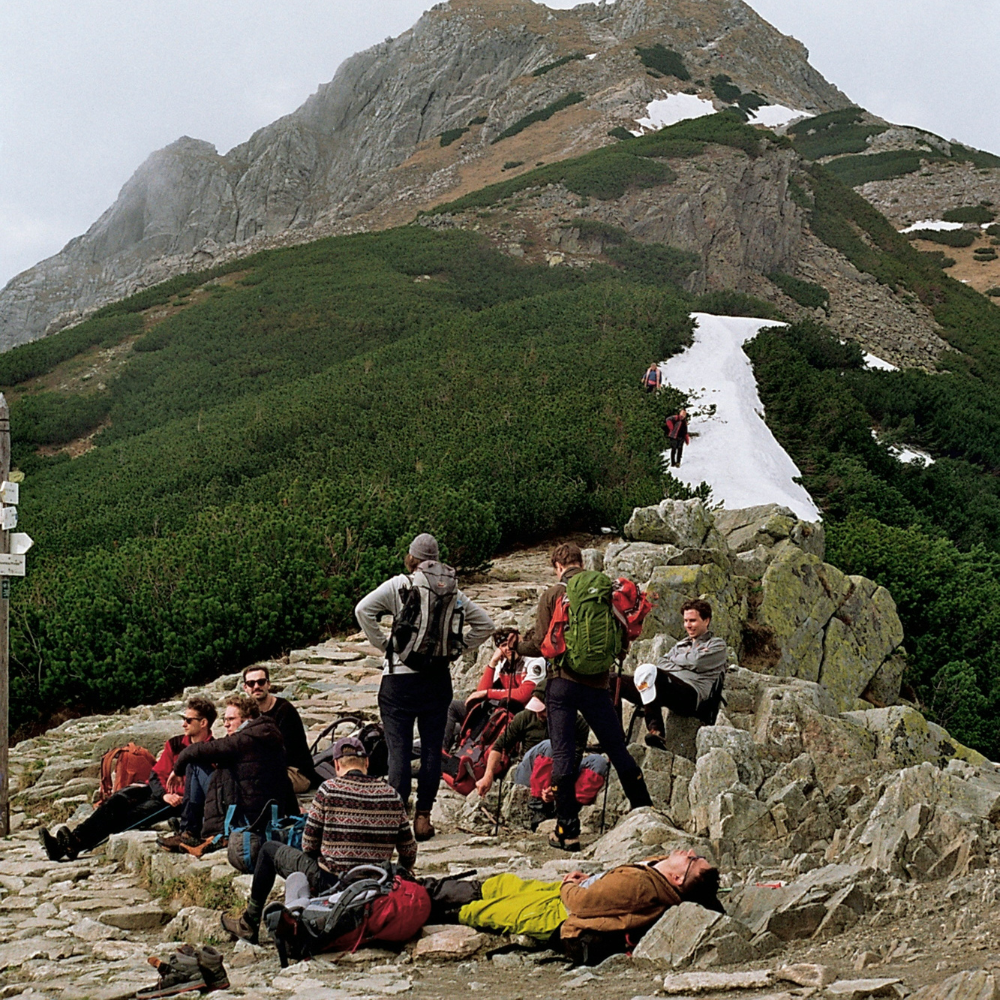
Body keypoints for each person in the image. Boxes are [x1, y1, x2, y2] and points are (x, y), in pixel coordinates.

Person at [355, 532, 494, 842]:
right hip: (437, 679)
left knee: (399, 752)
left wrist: (385, 646)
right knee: (432, 751)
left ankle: (396, 821)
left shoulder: (399, 585)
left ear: (411, 557)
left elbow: (362, 611)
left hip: (399, 682)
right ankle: (423, 819)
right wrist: (457, 650)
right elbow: (486, 625)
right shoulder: (453, 591)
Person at [516, 543, 651, 852]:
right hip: (598, 684)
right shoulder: (604, 590)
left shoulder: (553, 594)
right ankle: (644, 808)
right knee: (616, 747)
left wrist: (517, 646)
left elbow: (539, 643)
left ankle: (567, 830)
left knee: (563, 752)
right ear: (581, 562)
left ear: (558, 566)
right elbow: (623, 638)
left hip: (562, 684)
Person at [220, 736, 417, 943]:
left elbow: (308, 845)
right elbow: (409, 851)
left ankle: (249, 922)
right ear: (366, 763)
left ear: (336, 764)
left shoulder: (328, 790)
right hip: (376, 884)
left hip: (333, 881)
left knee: (269, 849)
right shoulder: (391, 795)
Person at [457, 848, 722, 963]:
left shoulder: (644, 886)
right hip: (567, 897)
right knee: (502, 884)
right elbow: (610, 887)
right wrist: (590, 879)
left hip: (560, 913)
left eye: (693, 859)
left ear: (677, 879)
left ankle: (434, 908)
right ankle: (433, 892)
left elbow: (582, 904)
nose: (689, 852)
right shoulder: (658, 870)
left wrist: (567, 886)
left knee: (485, 910)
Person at [38, 697, 217, 862]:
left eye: (188, 720)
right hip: (162, 793)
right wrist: (163, 794)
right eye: (183, 719)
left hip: (180, 802)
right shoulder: (175, 743)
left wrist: (173, 797)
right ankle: (73, 838)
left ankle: (72, 845)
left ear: (203, 723)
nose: (183, 724)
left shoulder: (213, 750)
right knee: (117, 800)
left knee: (131, 816)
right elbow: (156, 774)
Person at [166, 694, 298, 845]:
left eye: (231, 719)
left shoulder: (243, 739)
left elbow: (193, 750)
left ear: (247, 718)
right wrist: (293, 814)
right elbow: (284, 781)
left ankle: (189, 831)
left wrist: (177, 770)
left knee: (194, 765)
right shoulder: (269, 736)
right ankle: (191, 828)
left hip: (244, 816)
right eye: (225, 720)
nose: (226, 725)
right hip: (260, 813)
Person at [475, 692, 604, 831]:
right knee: (550, 746)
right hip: (529, 772)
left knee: (598, 762)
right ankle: (539, 807)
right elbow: (499, 747)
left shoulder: (577, 722)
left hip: (562, 770)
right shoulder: (524, 717)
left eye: (542, 711)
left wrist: (559, 786)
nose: (538, 715)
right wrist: (488, 775)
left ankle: (572, 805)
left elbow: (576, 756)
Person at [633, 599, 728, 751]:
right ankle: (612, 737)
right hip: (669, 688)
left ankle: (656, 730)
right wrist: (686, 662)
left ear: (706, 620)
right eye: (685, 621)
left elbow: (697, 661)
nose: (688, 625)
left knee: (650, 672)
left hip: (692, 696)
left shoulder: (717, 645)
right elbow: (661, 662)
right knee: (614, 681)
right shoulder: (681, 644)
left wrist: (676, 662)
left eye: (693, 621)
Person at [444, 627, 544, 749]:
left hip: (521, 714)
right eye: (503, 645)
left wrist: (488, 693)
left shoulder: (534, 661)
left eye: (511, 643)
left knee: (505, 704)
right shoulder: (502, 663)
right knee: (452, 706)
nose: (508, 648)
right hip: (497, 712)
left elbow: (523, 695)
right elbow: (480, 693)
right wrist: (492, 662)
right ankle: (441, 750)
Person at [242, 665, 319, 792]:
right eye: (251, 683)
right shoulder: (247, 712)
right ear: (245, 688)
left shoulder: (285, 710)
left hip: (295, 771)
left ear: (268, 684)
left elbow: (282, 752)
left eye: (261, 682)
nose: (256, 687)